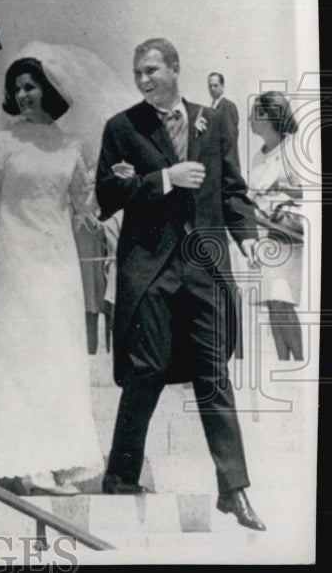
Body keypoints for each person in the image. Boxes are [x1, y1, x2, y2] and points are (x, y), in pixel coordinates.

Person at [96, 38, 264, 531]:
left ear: (175, 69)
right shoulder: (122, 128)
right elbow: (107, 195)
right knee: (145, 369)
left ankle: (233, 490)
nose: (143, 79)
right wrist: (164, 177)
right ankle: (121, 476)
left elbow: (232, 190)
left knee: (215, 374)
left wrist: (248, 239)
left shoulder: (212, 123)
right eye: (137, 73)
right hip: (149, 269)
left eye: (151, 70)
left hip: (204, 267)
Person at [0, 56, 104, 496]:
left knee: (58, 355)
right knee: (21, 353)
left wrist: (109, 185)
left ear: (49, 89)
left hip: (59, 265)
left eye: (31, 86)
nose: (24, 95)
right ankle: (26, 459)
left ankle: (59, 455)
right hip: (17, 263)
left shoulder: (72, 146)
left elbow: (85, 209)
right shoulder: (2, 143)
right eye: (18, 88)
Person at [246, 91, 304, 361]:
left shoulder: (293, 149)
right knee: (272, 303)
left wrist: (277, 193)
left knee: (283, 301)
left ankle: (302, 365)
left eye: (255, 113)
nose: (249, 118)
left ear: (270, 116)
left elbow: (308, 192)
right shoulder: (258, 159)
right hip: (265, 238)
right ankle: (284, 367)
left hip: (289, 236)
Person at [208, 72, 239, 140]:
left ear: (222, 86)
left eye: (216, 85)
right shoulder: (211, 108)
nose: (212, 89)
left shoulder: (228, 106)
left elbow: (230, 137)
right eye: (210, 86)